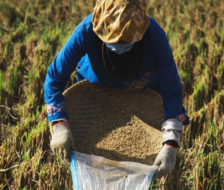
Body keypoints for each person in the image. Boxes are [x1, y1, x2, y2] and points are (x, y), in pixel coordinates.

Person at [44, 0, 190, 179]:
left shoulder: (154, 37)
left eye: (126, 40)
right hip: (96, 92)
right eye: (113, 39)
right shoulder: (86, 31)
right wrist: (60, 125)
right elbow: (55, 77)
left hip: (143, 92)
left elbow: (171, 89)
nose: (119, 45)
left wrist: (170, 144)